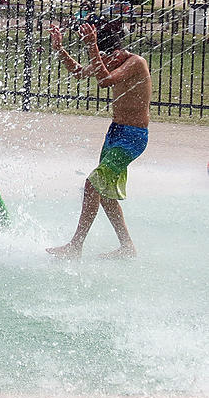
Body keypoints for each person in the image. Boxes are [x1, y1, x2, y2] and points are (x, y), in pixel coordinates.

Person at [47, 20, 151, 259]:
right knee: (103, 192)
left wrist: (93, 46)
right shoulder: (109, 60)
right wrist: (60, 49)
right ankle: (127, 247)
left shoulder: (136, 63)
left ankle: (75, 246)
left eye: (107, 59)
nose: (103, 64)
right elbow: (79, 72)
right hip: (115, 133)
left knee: (92, 184)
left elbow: (104, 81)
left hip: (132, 137)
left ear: (116, 53)